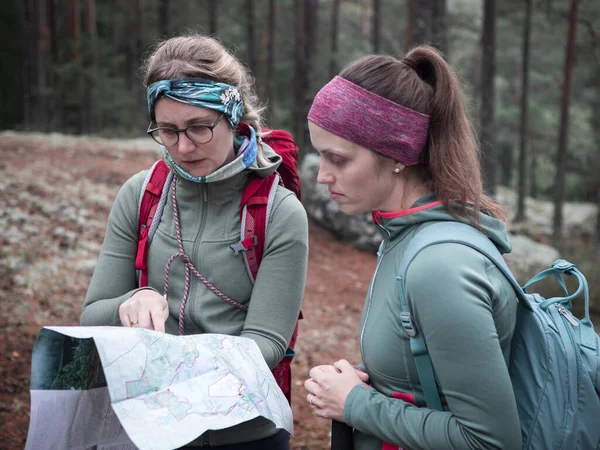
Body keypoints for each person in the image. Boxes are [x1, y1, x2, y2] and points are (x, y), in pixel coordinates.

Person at [80, 34, 308, 449]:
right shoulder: (141, 194)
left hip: (243, 431)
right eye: (167, 131)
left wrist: (176, 370)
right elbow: (92, 315)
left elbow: (267, 344)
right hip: (148, 423)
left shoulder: (278, 212)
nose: (183, 147)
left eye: (200, 127)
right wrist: (134, 300)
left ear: (233, 115)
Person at [303, 46, 522, 450]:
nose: (322, 176)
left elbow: (490, 441)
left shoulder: (439, 267)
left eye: (338, 159)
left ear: (396, 155)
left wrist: (353, 403)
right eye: (321, 155)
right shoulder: (404, 237)